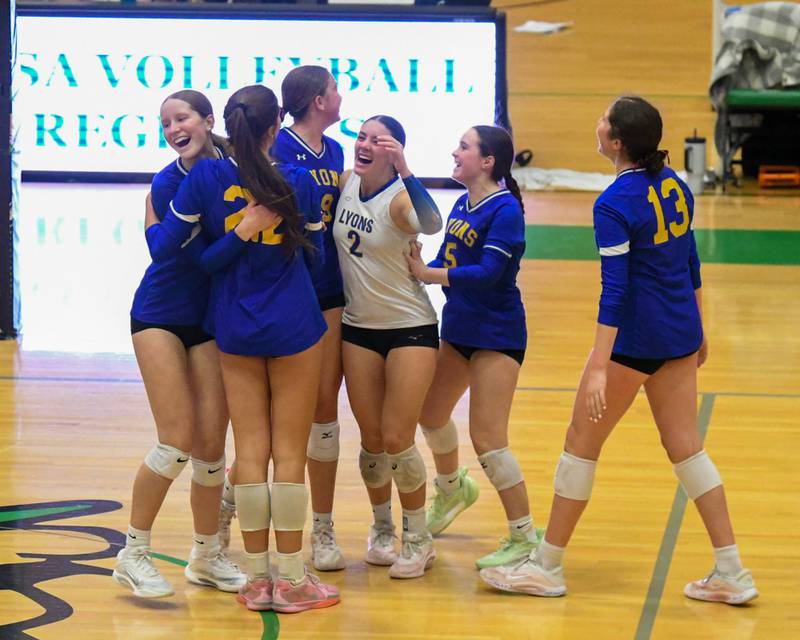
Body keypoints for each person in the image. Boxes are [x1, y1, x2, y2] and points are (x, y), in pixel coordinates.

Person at [479, 96, 758, 605]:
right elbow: (689, 259)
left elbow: (616, 289)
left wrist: (600, 367)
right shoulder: (675, 184)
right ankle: (732, 571)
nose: (598, 122)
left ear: (616, 142)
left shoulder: (612, 203)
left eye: (604, 119)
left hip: (634, 341)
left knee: (579, 444)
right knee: (687, 449)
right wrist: (699, 328)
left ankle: (547, 566)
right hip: (677, 335)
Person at [145, 84, 340, 613]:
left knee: (250, 452)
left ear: (226, 123)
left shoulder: (206, 176)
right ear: (276, 125)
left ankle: (257, 581)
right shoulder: (295, 179)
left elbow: (193, 259)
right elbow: (319, 260)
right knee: (290, 455)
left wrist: (237, 237)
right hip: (295, 323)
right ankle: (294, 579)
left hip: (234, 325)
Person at [114, 89, 270, 599]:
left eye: (181, 118)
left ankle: (205, 555)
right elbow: (172, 256)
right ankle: (133, 553)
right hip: (160, 314)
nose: (172, 129)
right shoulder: (168, 181)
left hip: (209, 320)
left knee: (209, 447)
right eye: (164, 124)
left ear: (207, 121)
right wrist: (245, 229)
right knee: (175, 438)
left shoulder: (236, 167)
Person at [406, 125, 542, 570]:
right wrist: (416, 264)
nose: (454, 151)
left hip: (497, 335)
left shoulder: (505, 211)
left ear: (487, 161)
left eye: (463, 147)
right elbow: (450, 262)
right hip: (461, 329)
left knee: (488, 438)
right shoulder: (465, 202)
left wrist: (429, 276)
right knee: (430, 413)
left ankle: (524, 536)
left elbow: (488, 274)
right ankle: (452, 489)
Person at [333, 115, 443, 579]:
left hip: (409, 327)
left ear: (393, 151)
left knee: (398, 439)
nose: (365, 145)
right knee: (372, 441)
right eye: (361, 136)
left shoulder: (399, 201)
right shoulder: (343, 183)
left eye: (379, 141)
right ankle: (382, 528)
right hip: (358, 327)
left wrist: (407, 169)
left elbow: (432, 224)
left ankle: (418, 537)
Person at [270, 65, 347, 572]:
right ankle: (240, 495)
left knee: (325, 409)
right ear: (319, 100)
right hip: (290, 287)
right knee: (285, 418)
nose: (340, 96)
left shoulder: (338, 151)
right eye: (335, 89)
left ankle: (323, 526)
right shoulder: (277, 150)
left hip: (332, 287)